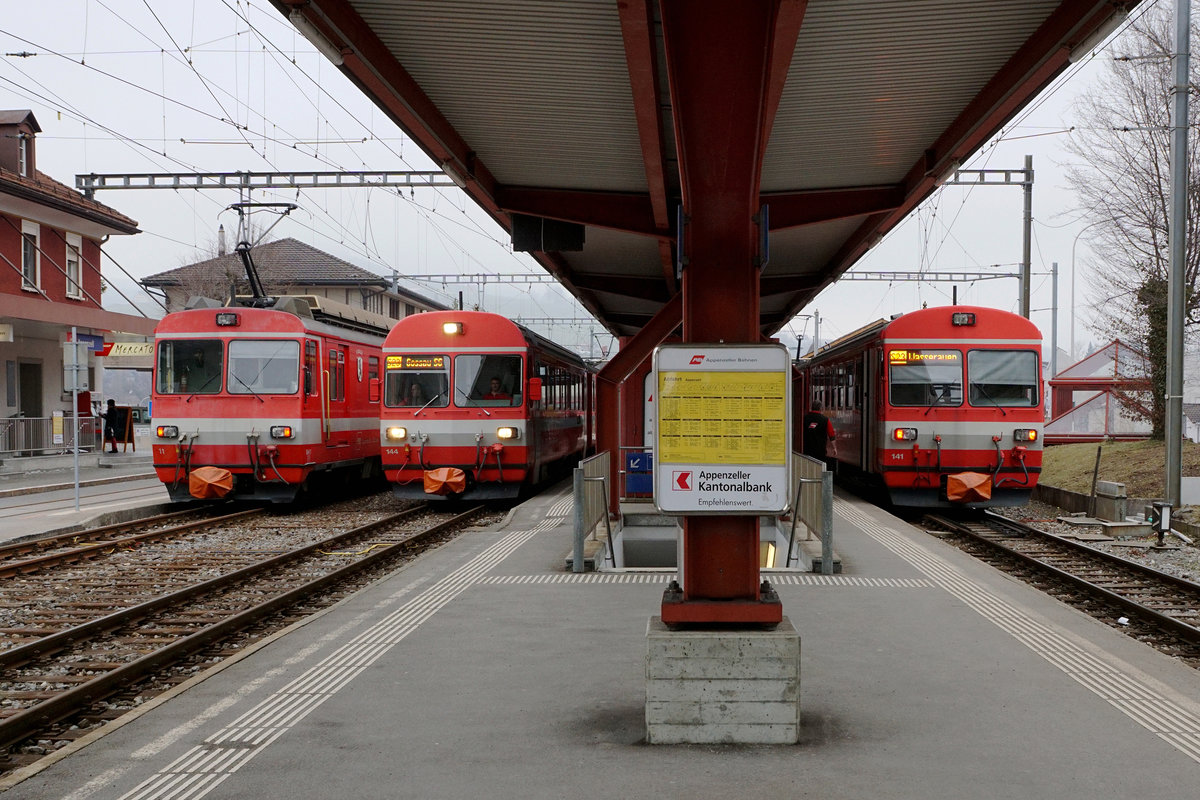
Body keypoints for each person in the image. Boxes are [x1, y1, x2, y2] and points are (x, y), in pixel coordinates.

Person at [802, 400, 836, 467]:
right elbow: (831, 434)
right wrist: (834, 448)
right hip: (820, 451)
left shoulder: (805, 418)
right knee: (819, 468)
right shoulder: (825, 420)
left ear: (812, 407)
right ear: (820, 408)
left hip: (807, 450)